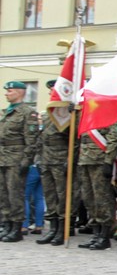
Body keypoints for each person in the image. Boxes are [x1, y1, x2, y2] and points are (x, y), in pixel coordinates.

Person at [0, 81, 40, 242]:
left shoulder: (27, 112)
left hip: (16, 159)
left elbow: (32, 140)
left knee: (15, 194)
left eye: (10, 91)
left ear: (19, 92)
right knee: (3, 194)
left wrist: (26, 160)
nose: (6, 94)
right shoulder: (6, 112)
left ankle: (17, 228)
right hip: (2, 158)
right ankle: (7, 225)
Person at [36, 105, 79, 245]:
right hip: (46, 161)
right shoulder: (48, 114)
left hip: (61, 160)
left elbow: (75, 140)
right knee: (50, 196)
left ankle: (62, 229)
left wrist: (70, 160)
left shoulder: (69, 115)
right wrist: (39, 159)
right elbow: (41, 140)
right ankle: (53, 229)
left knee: (63, 197)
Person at [76, 120, 117, 249]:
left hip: (100, 161)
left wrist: (108, 160)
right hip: (85, 160)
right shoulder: (87, 115)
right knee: (88, 199)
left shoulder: (110, 115)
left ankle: (105, 236)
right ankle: (96, 234)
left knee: (102, 199)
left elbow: (114, 138)